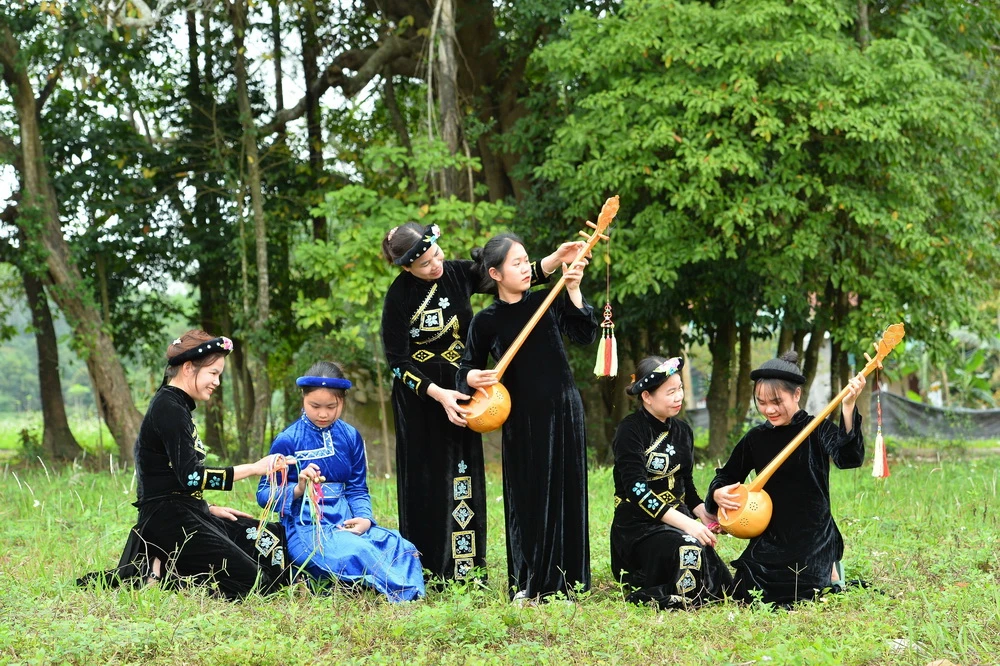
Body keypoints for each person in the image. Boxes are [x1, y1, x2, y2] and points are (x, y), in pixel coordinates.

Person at [380, 222, 585, 584]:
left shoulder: (457, 273)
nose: (436, 265)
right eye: (426, 263)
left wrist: (555, 259)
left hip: (465, 393)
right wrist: (437, 393)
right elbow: (397, 361)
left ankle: (466, 571)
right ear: (406, 267)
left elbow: (507, 274)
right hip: (423, 398)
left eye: (437, 254)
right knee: (426, 482)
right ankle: (428, 571)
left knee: (464, 474)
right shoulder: (398, 298)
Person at [78, 330, 289, 600]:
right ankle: (162, 568)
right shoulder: (168, 407)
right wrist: (256, 468)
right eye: (213, 373)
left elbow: (172, 478)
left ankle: (164, 563)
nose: (218, 382)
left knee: (269, 538)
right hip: (170, 521)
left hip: (188, 512)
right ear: (189, 368)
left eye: (219, 374)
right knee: (256, 584)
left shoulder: (177, 406)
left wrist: (208, 509)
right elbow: (190, 477)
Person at [456, 232, 597, 602]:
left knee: (567, 494)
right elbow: (466, 369)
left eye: (525, 260)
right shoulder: (485, 321)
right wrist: (472, 377)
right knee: (527, 499)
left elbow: (584, 333)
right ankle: (529, 582)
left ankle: (568, 583)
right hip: (523, 420)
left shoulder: (545, 300)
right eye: (516, 263)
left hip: (564, 410)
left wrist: (574, 290)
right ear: (495, 274)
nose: (524, 267)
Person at [706, 351, 866, 605]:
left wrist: (847, 407)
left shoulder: (817, 428)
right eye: (761, 402)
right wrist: (717, 494)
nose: (768, 409)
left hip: (812, 536)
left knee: (803, 591)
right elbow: (726, 475)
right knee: (747, 590)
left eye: (777, 401)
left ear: (797, 394)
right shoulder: (756, 438)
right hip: (770, 535)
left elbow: (850, 459)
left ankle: (830, 569)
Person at [257, 361, 425, 602]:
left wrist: (365, 520)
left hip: (345, 522)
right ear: (303, 400)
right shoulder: (287, 440)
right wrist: (298, 488)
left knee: (400, 546)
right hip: (307, 529)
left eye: (331, 406)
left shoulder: (350, 436)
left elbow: (357, 488)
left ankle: (378, 587)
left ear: (343, 402)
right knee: (360, 550)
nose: (323, 414)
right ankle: (393, 592)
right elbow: (264, 494)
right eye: (315, 406)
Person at [610, 356, 733, 609]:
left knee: (723, 583)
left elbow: (686, 488)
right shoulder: (630, 430)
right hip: (638, 529)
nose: (679, 397)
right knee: (690, 548)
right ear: (647, 397)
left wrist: (709, 518)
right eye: (671, 392)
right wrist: (689, 524)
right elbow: (637, 491)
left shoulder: (683, 431)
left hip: (677, 525)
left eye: (680, 389)